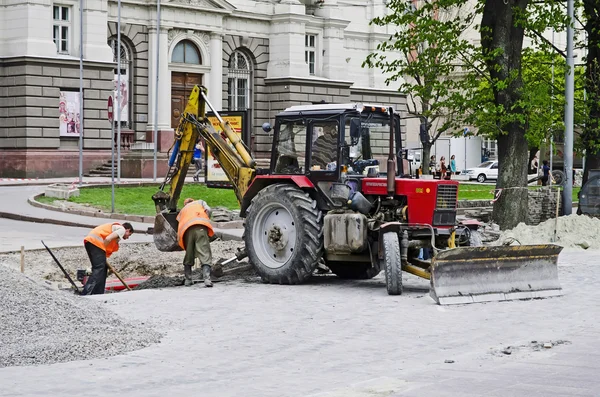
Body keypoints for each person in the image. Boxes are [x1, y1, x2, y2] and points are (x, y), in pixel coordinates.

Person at [82, 222, 134, 295]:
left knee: (102, 268)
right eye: (129, 235)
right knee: (99, 268)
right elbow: (108, 239)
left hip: (91, 242)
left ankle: (98, 293)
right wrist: (103, 250)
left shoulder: (115, 231)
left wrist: (107, 264)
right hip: (96, 243)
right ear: (127, 230)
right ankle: (86, 292)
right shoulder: (121, 229)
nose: (128, 237)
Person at [177, 197, 215, 287]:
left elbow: (178, 221)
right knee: (204, 252)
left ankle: (188, 280)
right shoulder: (200, 202)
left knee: (189, 254)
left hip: (187, 231)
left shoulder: (182, 210)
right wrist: (206, 219)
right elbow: (209, 209)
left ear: (185, 204)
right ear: (193, 201)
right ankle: (207, 279)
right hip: (200, 228)